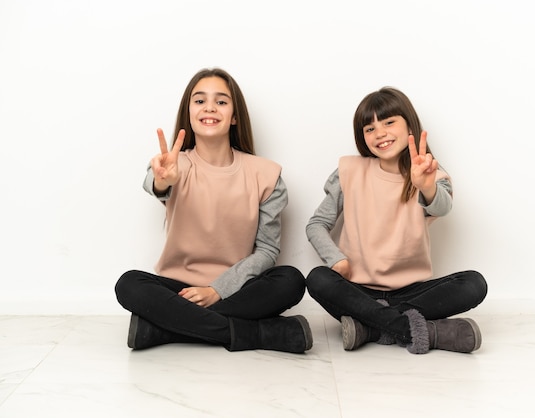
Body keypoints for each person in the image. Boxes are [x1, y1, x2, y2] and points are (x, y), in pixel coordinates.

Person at [115, 68, 312, 354]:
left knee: (291, 280)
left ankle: (162, 329)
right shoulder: (173, 165)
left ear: (234, 116)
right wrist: (162, 180)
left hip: (237, 288)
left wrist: (217, 290)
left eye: (221, 101)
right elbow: (156, 184)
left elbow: (267, 252)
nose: (209, 107)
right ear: (189, 113)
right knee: (129, 284)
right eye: (200, 101)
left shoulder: (266, 175)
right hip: (179, 290)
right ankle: (261, 333)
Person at [305, 87, 487, 354]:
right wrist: (336, 258)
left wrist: (426, 187)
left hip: (411, 293)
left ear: (409, 125)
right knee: (317, 279)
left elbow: (443, 207)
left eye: (389, 122)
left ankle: (370, 327)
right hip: (358, 291)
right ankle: (424, 332)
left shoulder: (428, 174)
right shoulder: (350, 171)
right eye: (369, 128)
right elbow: (316, 223)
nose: (380, 133)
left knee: (474, 283)